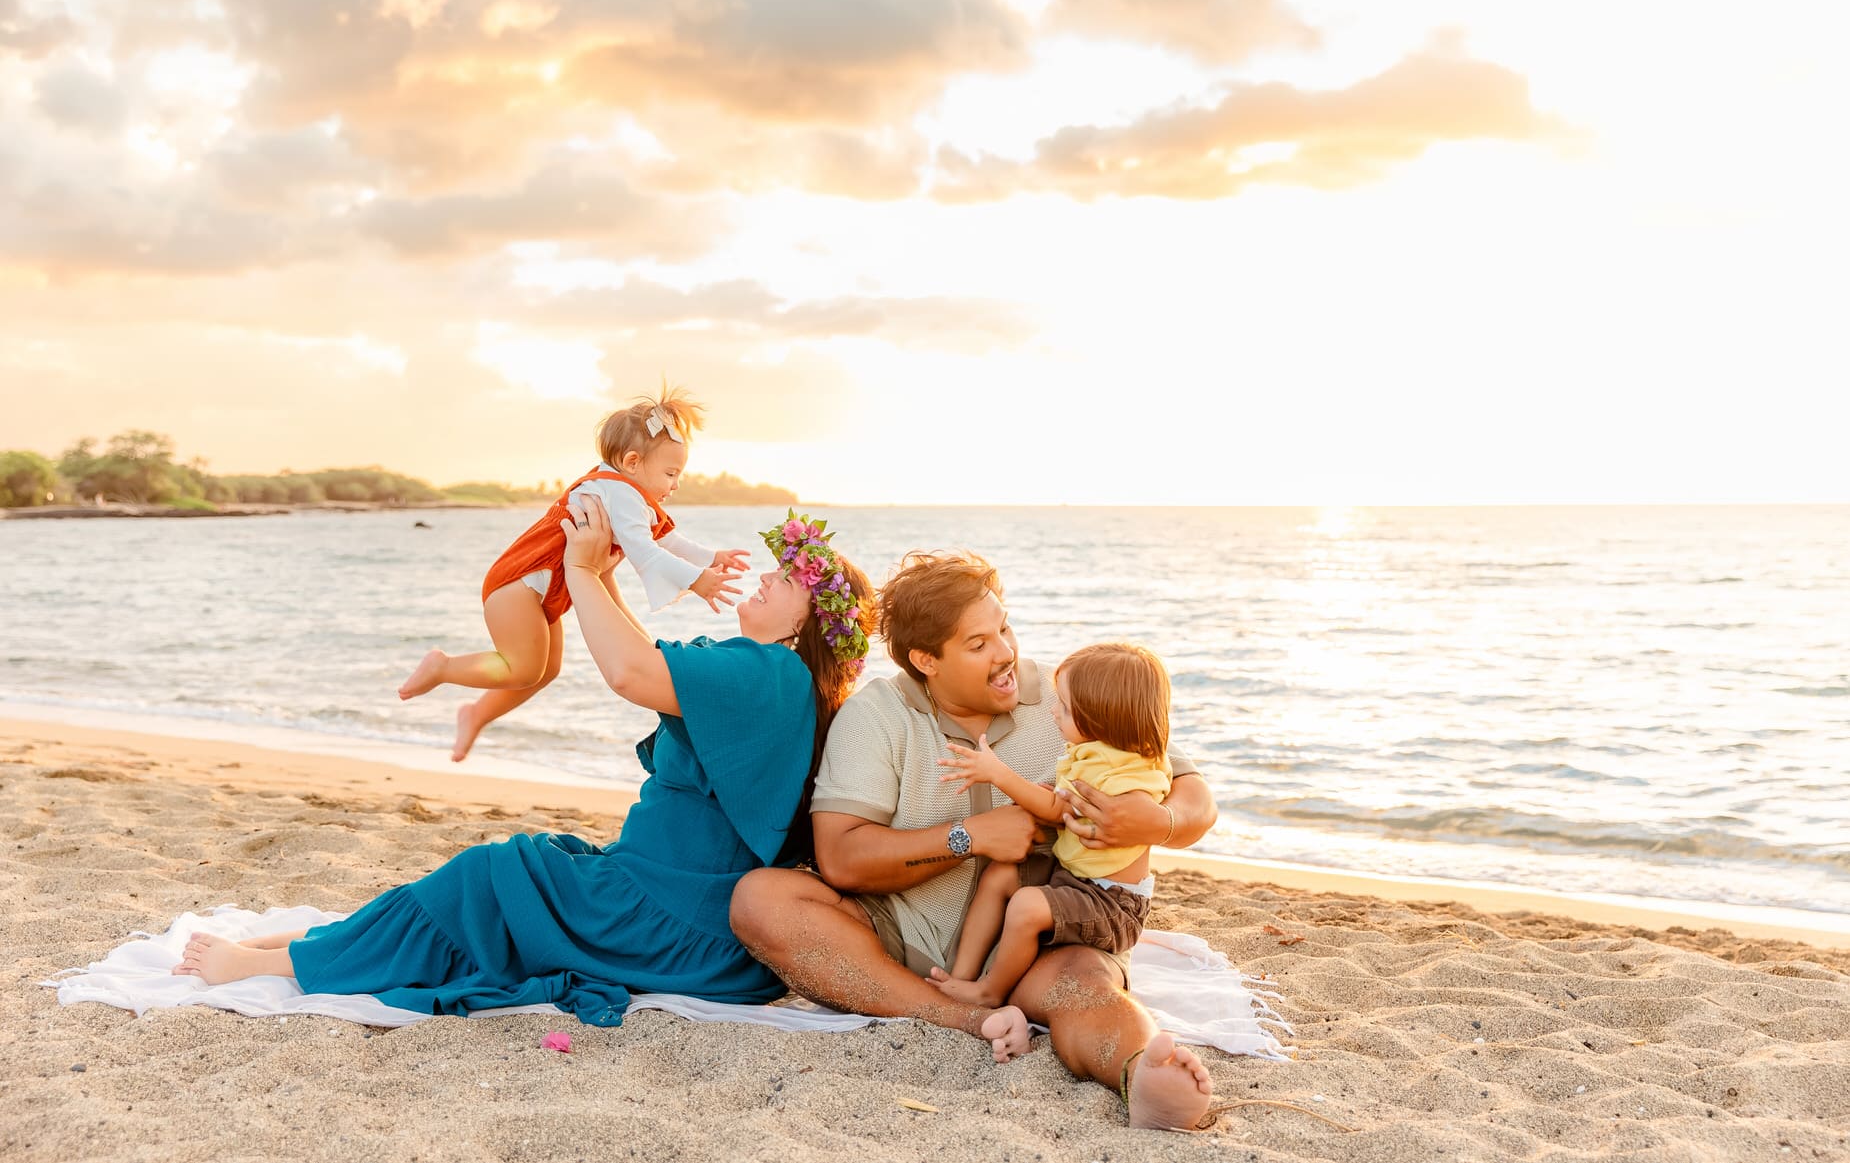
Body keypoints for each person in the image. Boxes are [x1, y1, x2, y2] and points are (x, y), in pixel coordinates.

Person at [169, 502, 1025, 1041]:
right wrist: (609, 580)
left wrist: (581, 571)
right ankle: (313, 948)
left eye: (786, 578)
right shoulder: (773, 675)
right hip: (663, 898)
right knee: (531, 865)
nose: (765, 578)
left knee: (495, 870)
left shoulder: (767, 673)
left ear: (811, 619)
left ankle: (280, 966)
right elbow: (641, 657)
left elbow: (630, 673)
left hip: (681, 924)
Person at [729, 552, 1217, 1130]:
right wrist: (972, 837)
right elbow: (840, 857)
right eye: (979, 643)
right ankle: (961, 1016)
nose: (1006, 653)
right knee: (760, 901)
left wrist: (1154, 824)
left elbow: (1192, 796)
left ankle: (1143, 1076)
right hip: (899, 938)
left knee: (1088, 986)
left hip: (1044, 941)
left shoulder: (1070, 699)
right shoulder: (876, 716)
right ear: (925, 660)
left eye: (1004, 628)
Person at [398, 386, 752, 762]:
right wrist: (697, 580)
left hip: (541, 588)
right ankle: (443, 667)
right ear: (632, 462)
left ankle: (476, 713)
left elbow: (667, 538)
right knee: (522, 667)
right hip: (518, 583)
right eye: (670, 473)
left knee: (545, 671)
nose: (675, 484)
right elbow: (646, 550)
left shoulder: (626, 491)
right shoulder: (620, 494)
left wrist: (711, 556)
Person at [928, 642, 1172, 1010]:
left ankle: (990, 991)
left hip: (1111, 902)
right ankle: (961, 977)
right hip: (1075, 879)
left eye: (1067, 709)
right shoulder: (1100, 752)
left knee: (1027, 905)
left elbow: (1058, 807)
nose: (1054, 712)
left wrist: (998, 774)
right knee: (1000, 876)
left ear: (1101, 718)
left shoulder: (1118, 770)